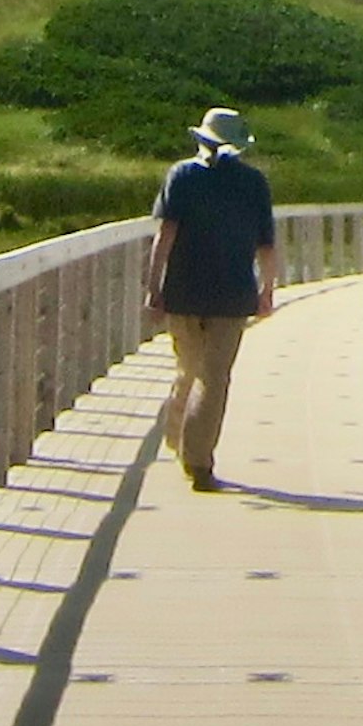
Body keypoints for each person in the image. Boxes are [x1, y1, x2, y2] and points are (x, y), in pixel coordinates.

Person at [145, 105, 278, 490]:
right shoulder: (254, 183)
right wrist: (267, 290)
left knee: (189, 371)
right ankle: (198, 462)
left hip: (183, 292)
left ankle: (183, 443)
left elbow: (165, 236)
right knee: (214, 377)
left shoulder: (181, 175)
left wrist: (153, 288)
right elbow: (266, 245)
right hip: (232, 295)